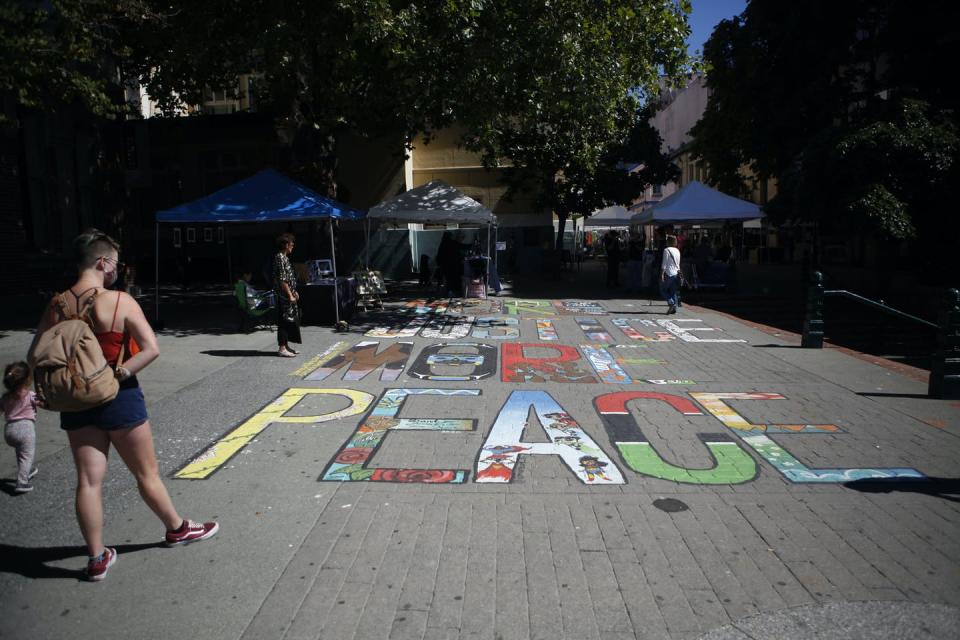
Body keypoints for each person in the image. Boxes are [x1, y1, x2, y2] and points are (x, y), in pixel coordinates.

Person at [27, 229, 218, 581]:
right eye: (114, 263)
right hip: (120, 395)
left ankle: (97, 557)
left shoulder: (57, 305)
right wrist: (116, 376)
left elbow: (36, 353)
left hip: (76, 399)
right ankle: (176, 528)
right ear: (103, 262)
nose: (116, 269)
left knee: (88, 481)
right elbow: (150, 348)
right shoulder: (119, 302)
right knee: (146, 474)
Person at [3, 361, 38, 493]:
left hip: (9, 430)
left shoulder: (5, 397)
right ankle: (22, 482)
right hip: (26, 430)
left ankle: (27, 470)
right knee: (27, 455)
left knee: (21, 452)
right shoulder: (30, 395)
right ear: (27, 380)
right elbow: (42, 402)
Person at [272, 232, 302, 357]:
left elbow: (289, 279)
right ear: (285, 245)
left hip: (288, 294)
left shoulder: (285, 258)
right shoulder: (280, 257)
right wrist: (289, 295)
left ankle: (286, 346)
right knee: (284, 320)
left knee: (289, 320)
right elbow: (282, 279)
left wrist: (294, 292)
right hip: (283, 296)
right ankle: (282, 348)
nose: (293, 245)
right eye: (291, 243)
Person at [660, 235, 682, 314]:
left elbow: (664, 263)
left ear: (668, 241)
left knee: (663, 289)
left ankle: (671, 303)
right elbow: (678, 263)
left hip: (668, 273)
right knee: (673, 291)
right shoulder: (677, 250)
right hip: (676, 273)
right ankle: (674, 307)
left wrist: (662, 274)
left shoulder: (666, 250)